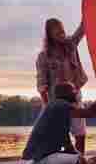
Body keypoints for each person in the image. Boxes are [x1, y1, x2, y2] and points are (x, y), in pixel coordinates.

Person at [20, 82, 96, 164]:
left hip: (29, 163)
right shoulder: (61, 104)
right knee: (81, 162)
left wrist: (77, 154)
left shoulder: (56, 109)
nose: (76, 92)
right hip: (35, 163)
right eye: (73, 90)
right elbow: (90, 113)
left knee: (78, 160)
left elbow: (67, 144)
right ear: (65, 93)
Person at [36, 18, 88, 153]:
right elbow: (42, 85)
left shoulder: (70, 45)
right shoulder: (43, 57)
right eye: (56, 29)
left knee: (80, 135)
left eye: (61, 28)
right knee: (62, 139)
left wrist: (88, 10)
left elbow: (82, 29)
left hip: (74, 96)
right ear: (49, 34)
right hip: (56, 101)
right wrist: (48, 107)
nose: (61, 31)